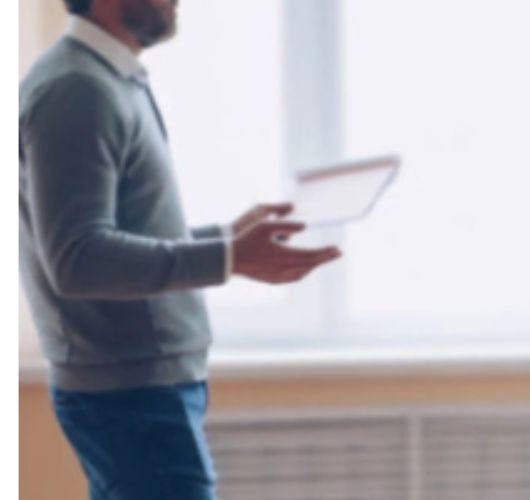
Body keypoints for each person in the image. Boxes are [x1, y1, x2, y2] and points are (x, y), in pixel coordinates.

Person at [21, 1, 344, 498]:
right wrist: (230, 258)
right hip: (132, 394)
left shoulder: (106, 80)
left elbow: (122, 234)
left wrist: (228, 237)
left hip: (141, 388)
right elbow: (78, 259)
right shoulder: (76, 90)